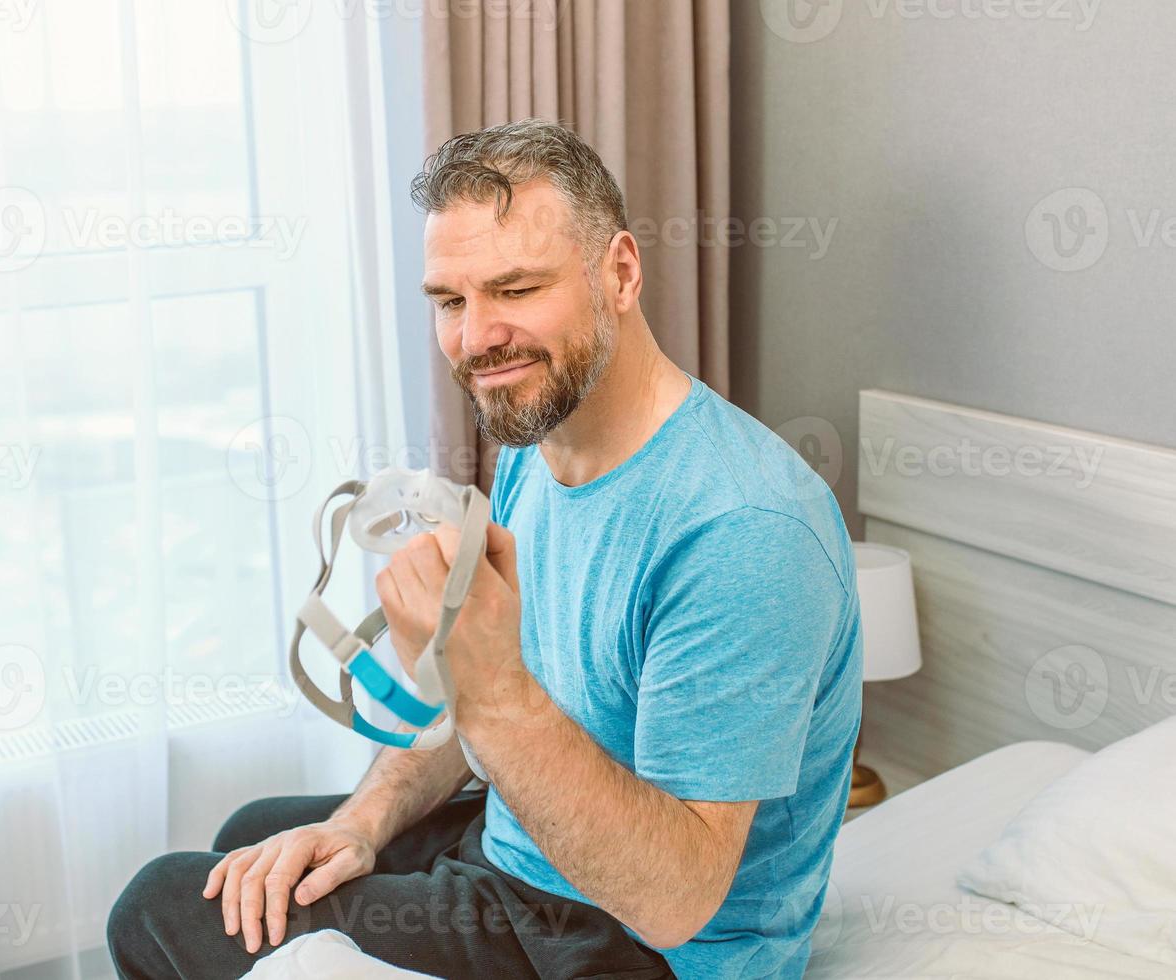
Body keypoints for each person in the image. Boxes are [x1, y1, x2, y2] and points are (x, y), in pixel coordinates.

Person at [108, 118, 862, 980]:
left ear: (619, 271)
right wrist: (364, 820)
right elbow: (472, 707)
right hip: (525, 852)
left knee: (163, 903)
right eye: (450, 300)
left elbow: (674, 900)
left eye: (515, 289)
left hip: (634, 945)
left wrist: (488, 686)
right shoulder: (538, 445)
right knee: (255, 841)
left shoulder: (742, 531)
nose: (476, 339)